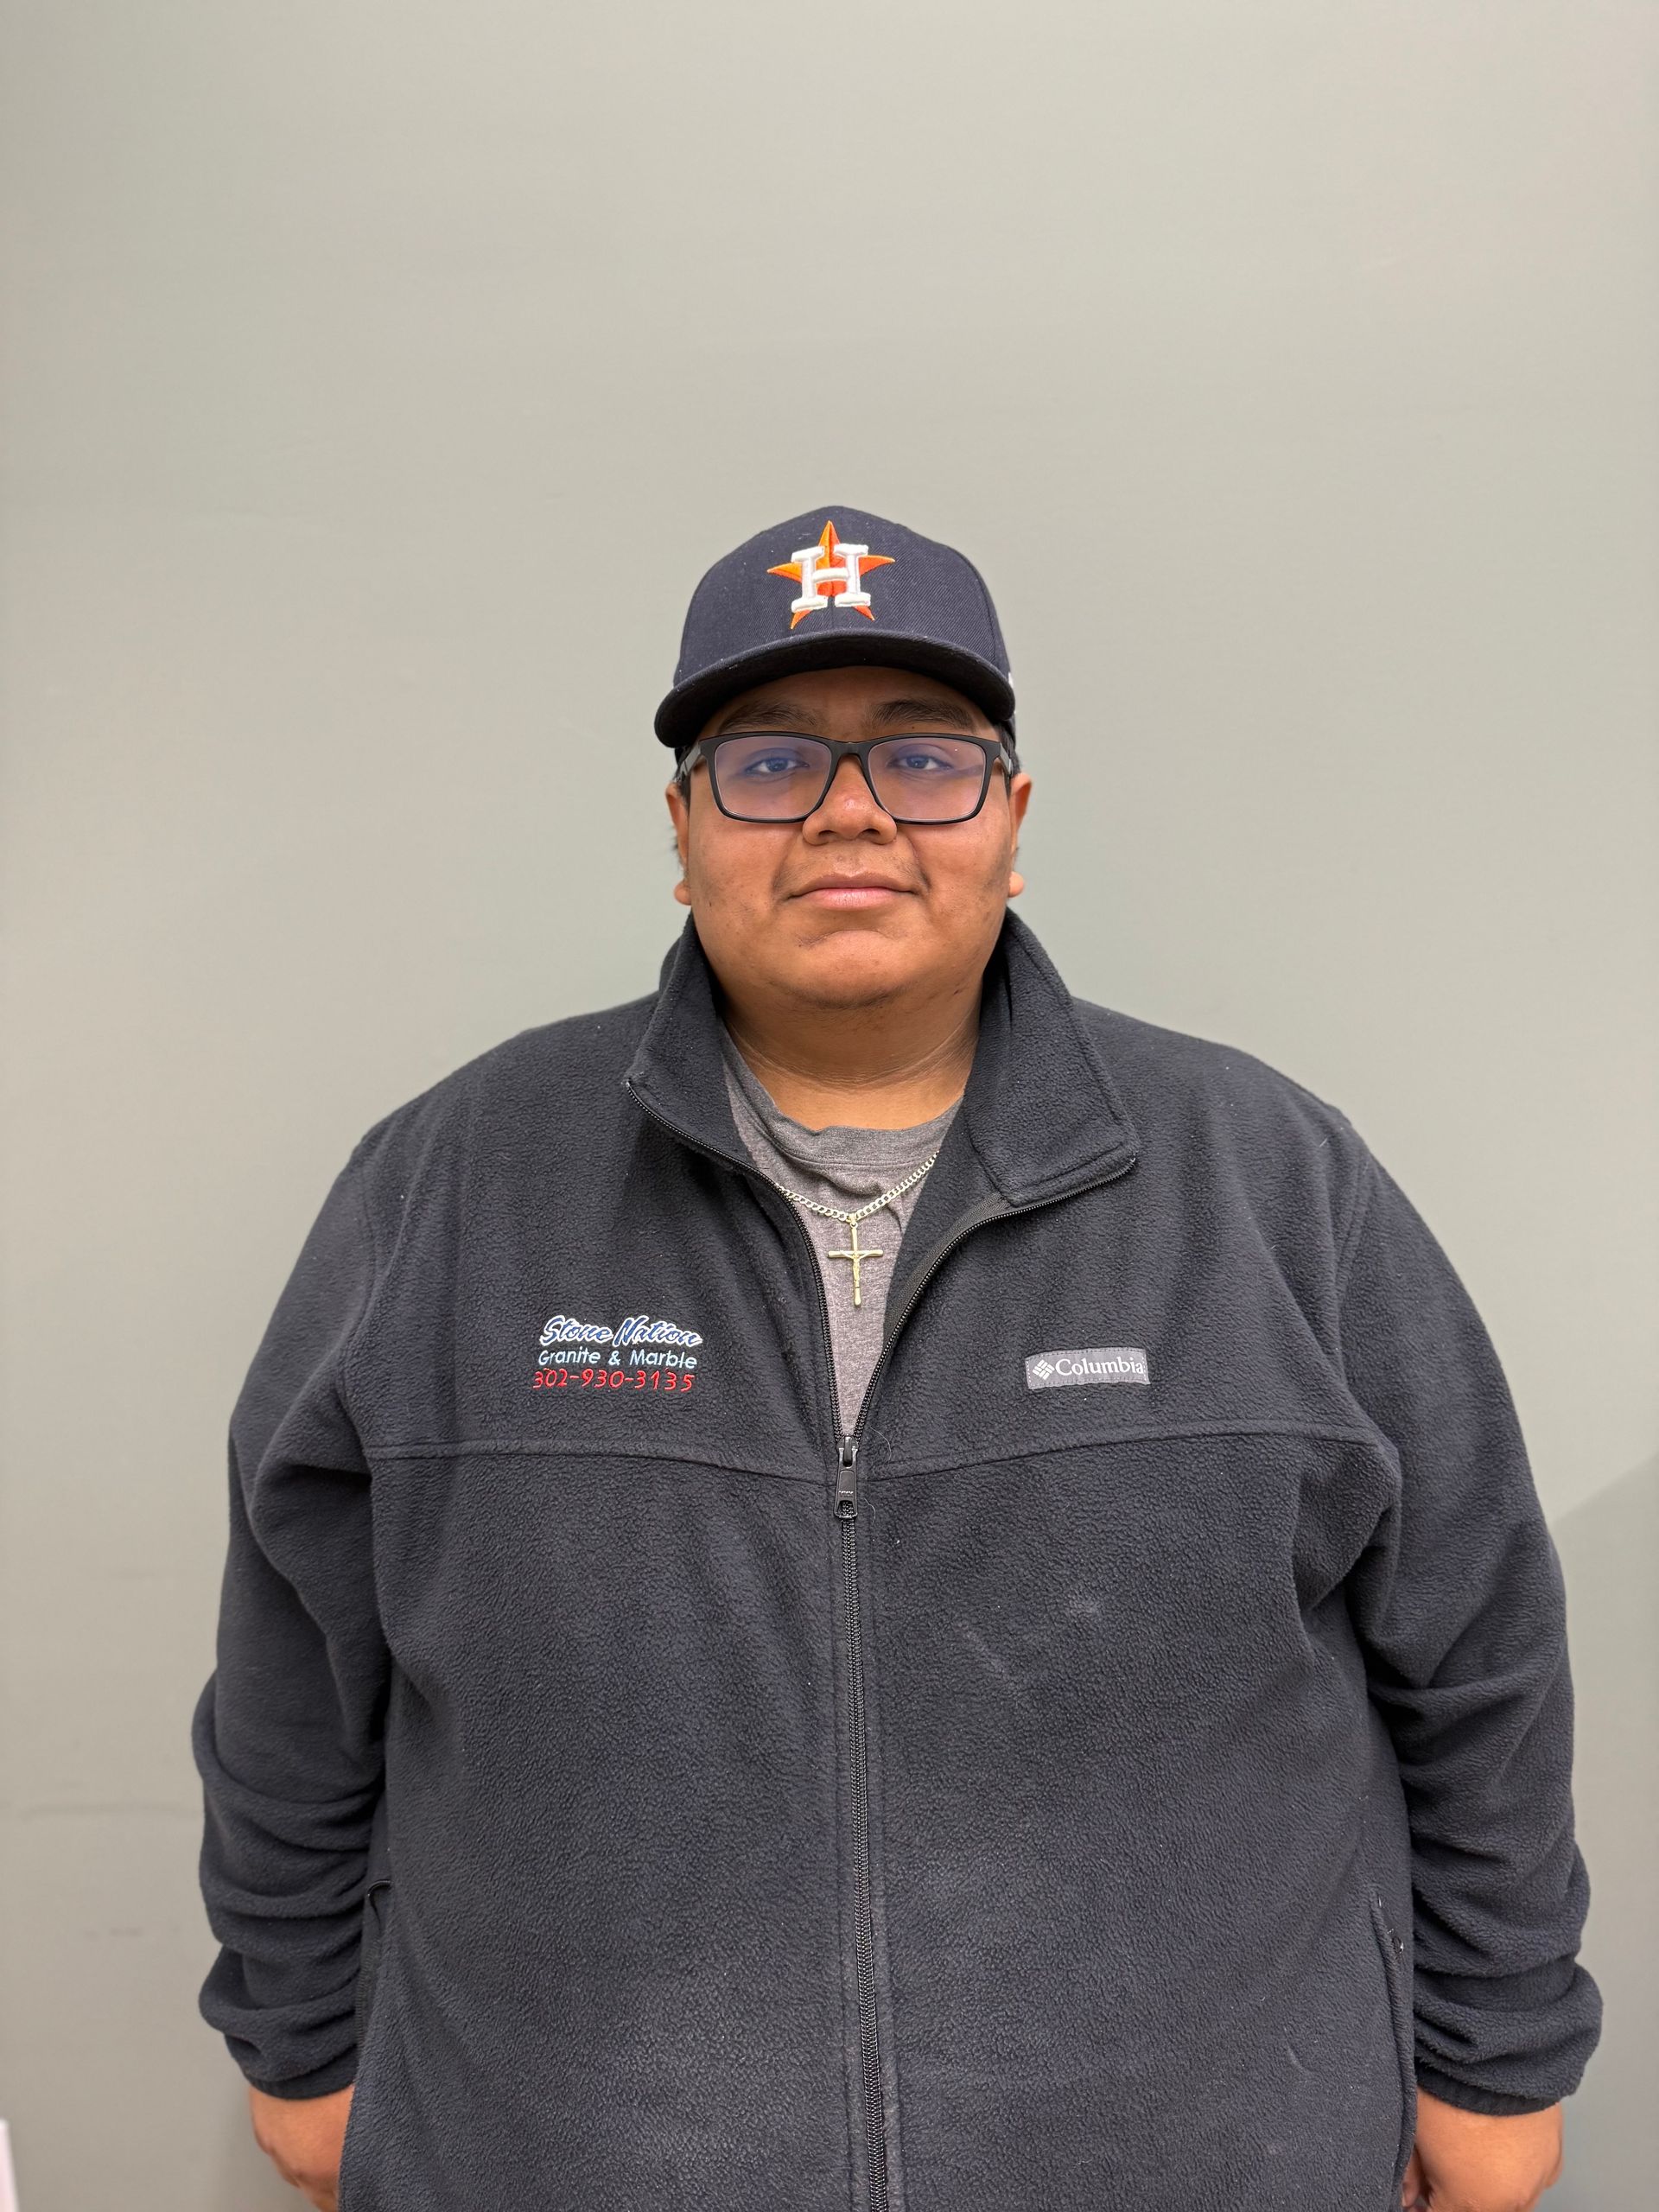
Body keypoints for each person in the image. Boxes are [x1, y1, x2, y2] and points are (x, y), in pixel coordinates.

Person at [193, 506, 1601, 2212]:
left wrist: (1496, 2052)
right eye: (771, 761)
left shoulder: (1270, 1180)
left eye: (924, 758)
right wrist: (301, 2046)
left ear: (1011, 821)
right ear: (684, 825)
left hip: (1207, 2150)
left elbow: (1482, 1653)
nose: (850, 809)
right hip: (563, 2151)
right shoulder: (451, 1183)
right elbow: (293, 1662)